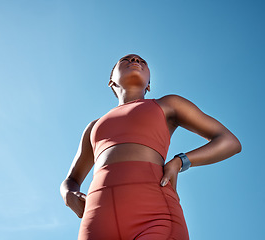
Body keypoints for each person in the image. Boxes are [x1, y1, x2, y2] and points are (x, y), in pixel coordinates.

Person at [60, 54, 242, 240]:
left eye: (142, 61)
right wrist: (68, 194)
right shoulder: (94, 127)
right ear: (111, 81)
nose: (135, 61)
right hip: (96, 219)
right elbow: (71, 179)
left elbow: (229, 141)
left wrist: (180, 161)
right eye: (126, 59)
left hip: (155, 212)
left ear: (148, 85)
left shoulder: (167, 105)